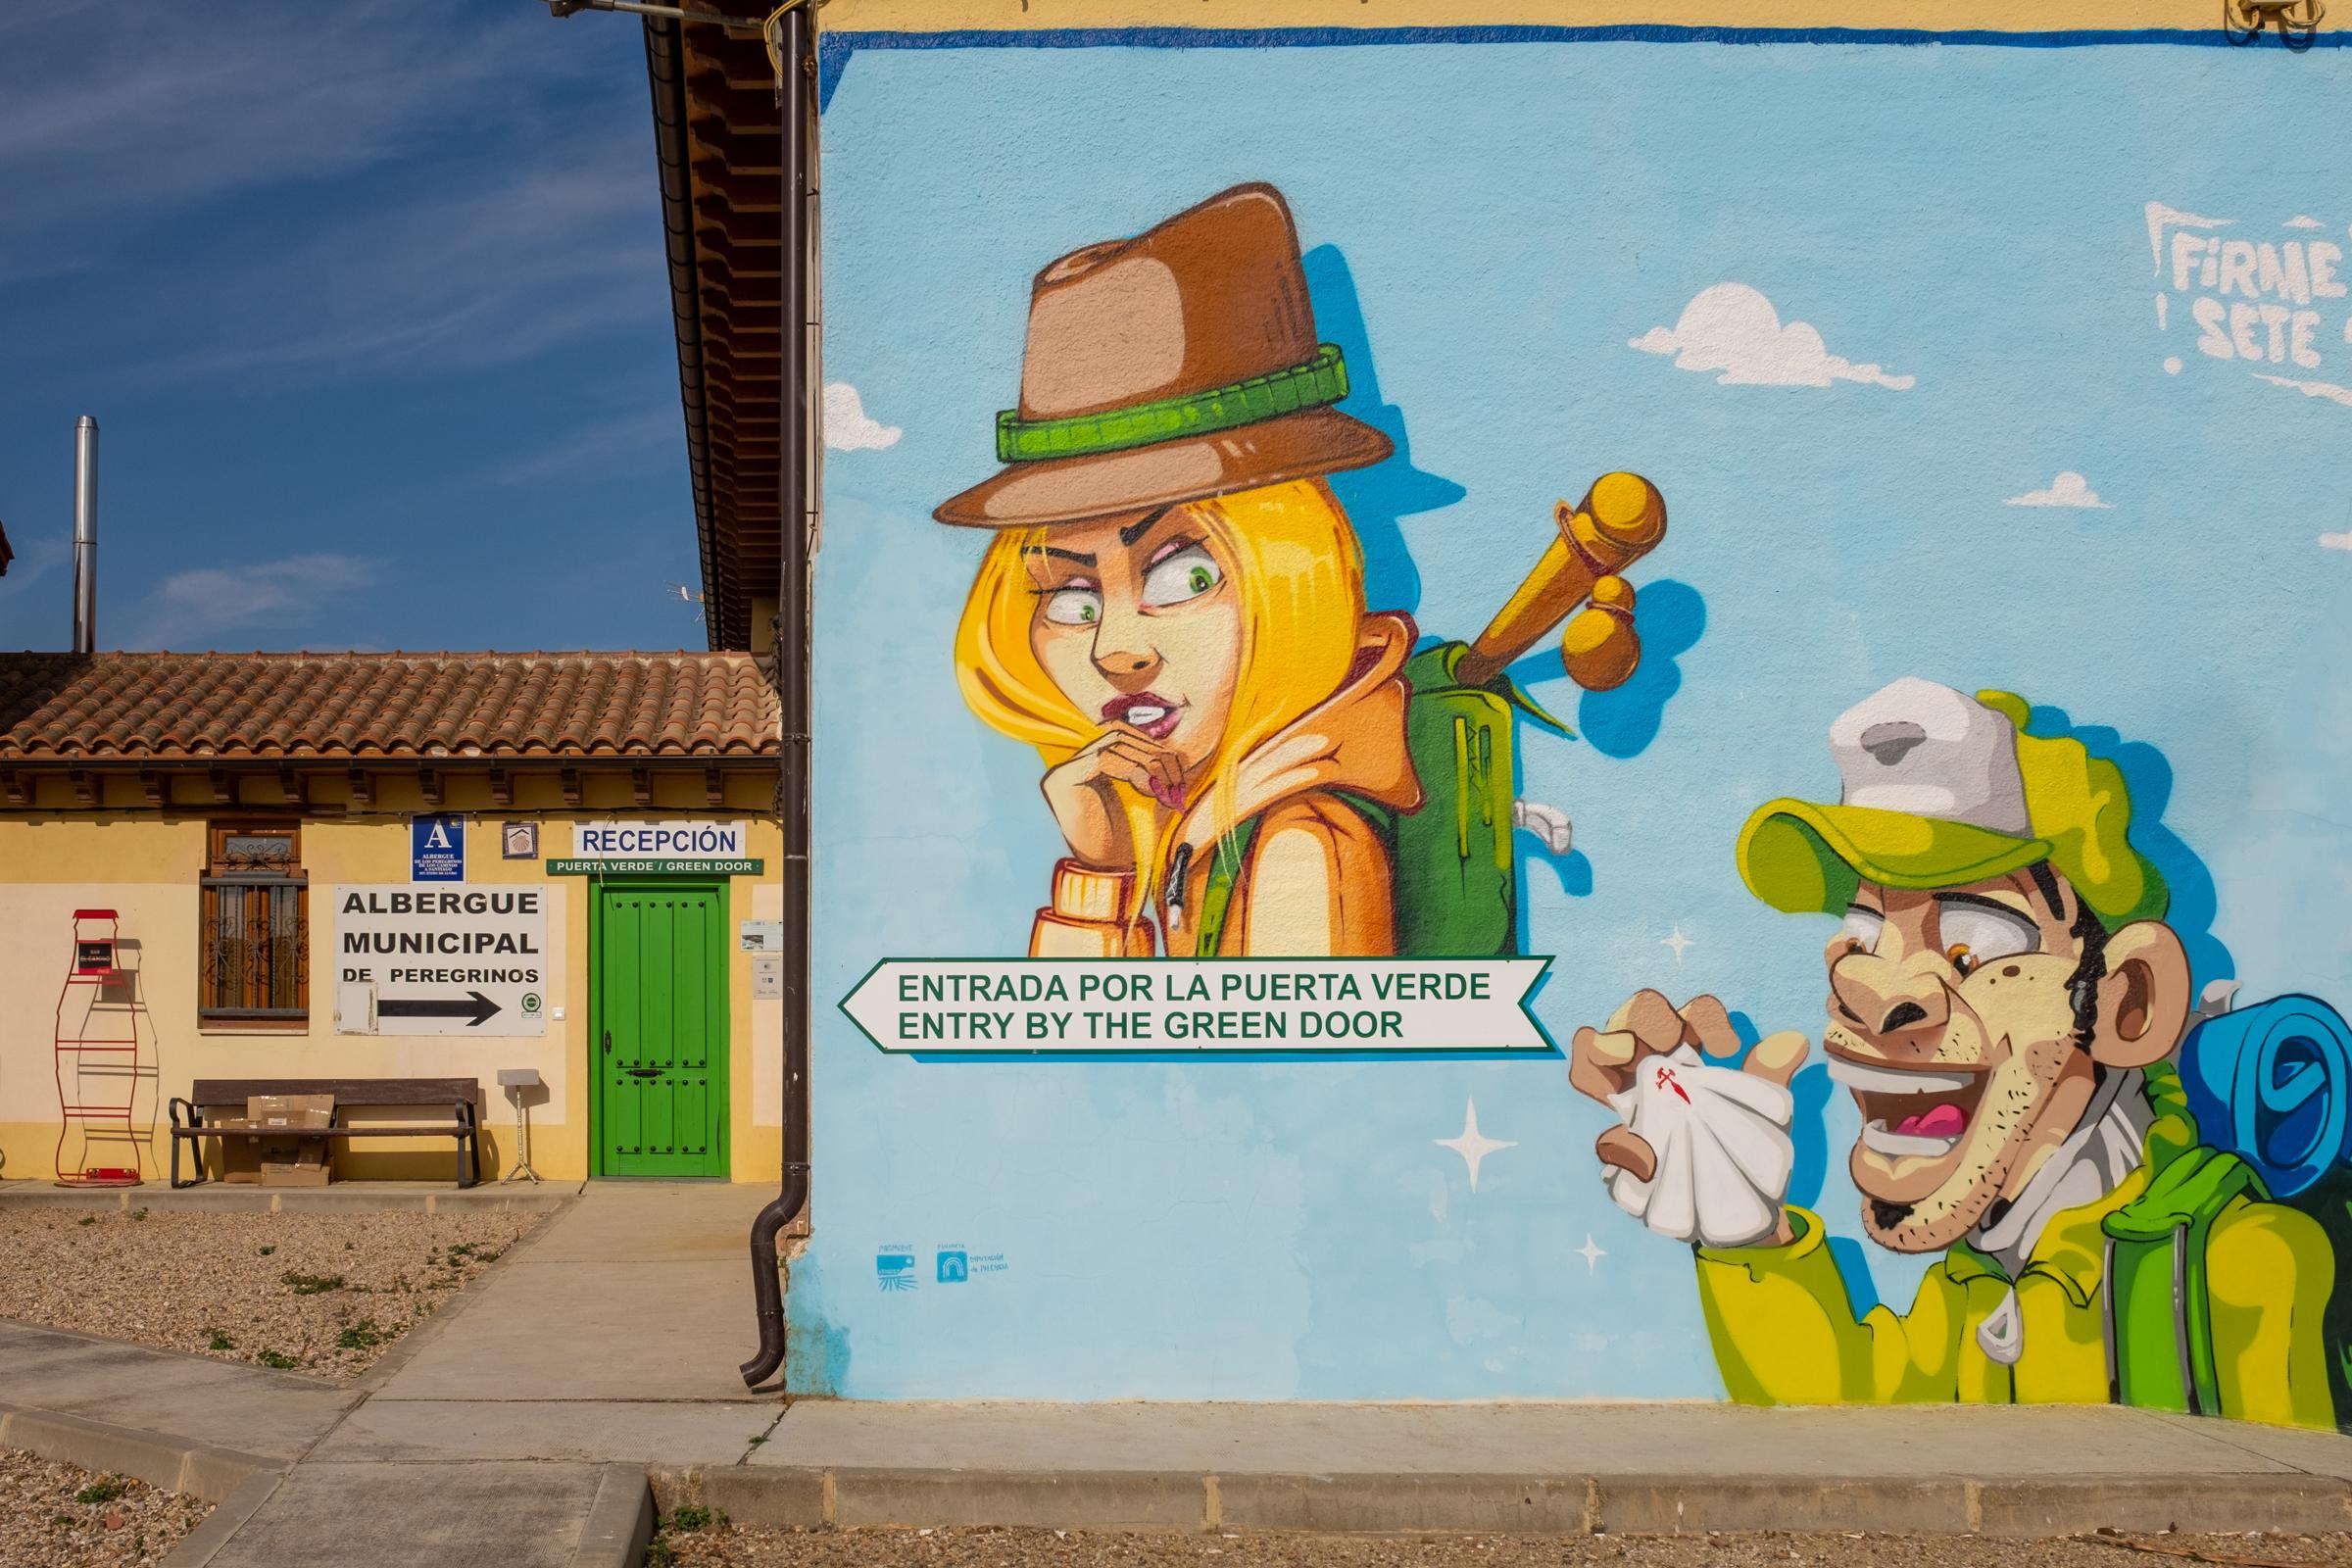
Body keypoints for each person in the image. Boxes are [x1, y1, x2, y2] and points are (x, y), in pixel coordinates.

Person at [1569, 677, 2334, 1428]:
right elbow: (1851, 1420)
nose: (1870, 991)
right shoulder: (1981, 1275)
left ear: (2128, 1001)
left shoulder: (2239, 1270)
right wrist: (1745, 1231)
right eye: (1863, 937)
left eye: (1977, 940)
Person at [936, 183, 1420, 958]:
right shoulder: (1203, 827)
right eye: (1071, 596)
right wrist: (1104, 868)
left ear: (1292, 576)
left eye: (1186, 577)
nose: (1115, 652)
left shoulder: (1298, 848)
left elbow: (1093, 1069)